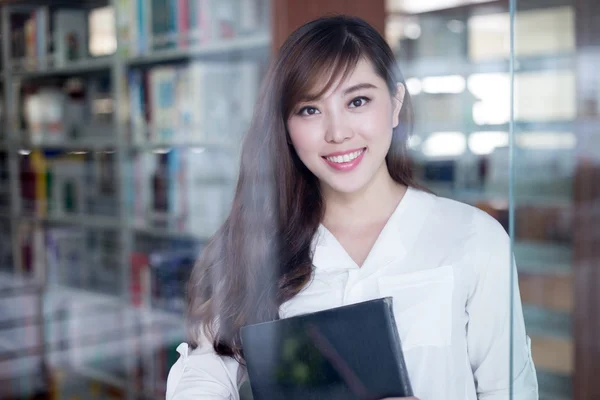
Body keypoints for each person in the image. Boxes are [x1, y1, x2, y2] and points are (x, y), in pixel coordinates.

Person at [166, 15, 538, 400]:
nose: (338, 132)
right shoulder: (254, 245)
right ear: (285, 126)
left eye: (358, 101)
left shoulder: (473, 238)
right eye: (310, 109)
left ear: (395, 104)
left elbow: (510, 392)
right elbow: (201, 376)